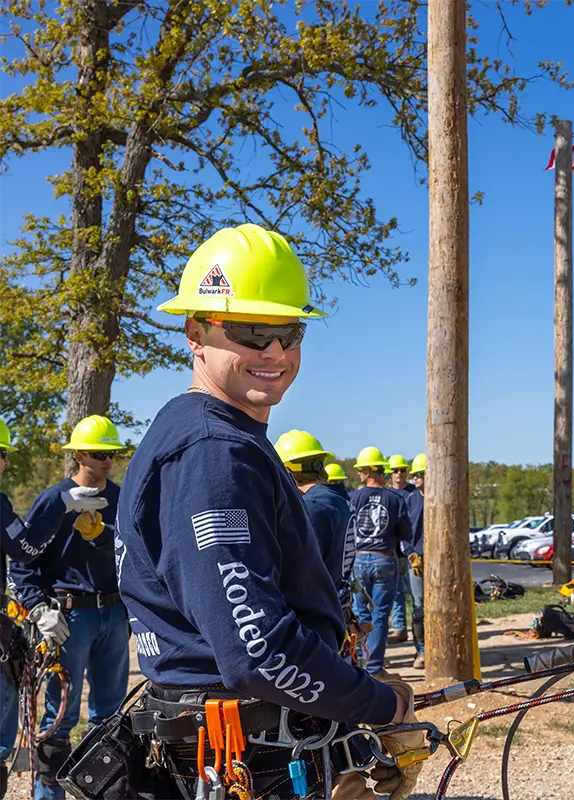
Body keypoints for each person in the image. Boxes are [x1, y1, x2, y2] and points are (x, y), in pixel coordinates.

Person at [114, 224, 424, 800]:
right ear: (196, 333)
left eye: (289, 330)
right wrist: (380, 704)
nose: (275, 352)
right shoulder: (211, 453)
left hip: (251, 742)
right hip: (244, 759)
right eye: (251, 331)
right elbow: (256, 650)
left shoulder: (212, 438)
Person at [9, 415, 127, 800]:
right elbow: (22, 561)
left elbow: (137, 555)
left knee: (109, 718)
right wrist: (39, 607)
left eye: (112, 453)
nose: (107, 461)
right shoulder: (54, 499)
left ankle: (103, 792)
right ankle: (49, 795)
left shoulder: (121, 500)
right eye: (98, 453)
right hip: (68, 617)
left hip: (112, 612)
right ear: (78, 455)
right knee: (60, 719)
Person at [274, 430, 356, 617]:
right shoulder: (340, 501)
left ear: (287, 471)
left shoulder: (311, 506)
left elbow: (301, 568)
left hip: (316, 611)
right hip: (337, 603)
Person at [350, 447, 412, 678]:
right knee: (380, 615)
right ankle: (374, 668)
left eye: (361, 470)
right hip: (384, 559)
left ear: (368, 471)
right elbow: (406, 533)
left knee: (359, 612)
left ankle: (362, 665)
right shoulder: (394, 499)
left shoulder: (353, 498)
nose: (358, 474)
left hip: (358, 562)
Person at [386, 455, 413, 645]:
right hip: (394, 551)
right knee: (397, 593)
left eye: (402, 470)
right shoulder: (388, 494)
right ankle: (400, 627)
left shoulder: (413, 493)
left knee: (415, 594)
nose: (399, 474)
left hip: (411, 552)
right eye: (395, 471)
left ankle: (420, 632)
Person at [404, 454, 426, 670]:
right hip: (417, 560)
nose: (414, 479)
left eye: (418, 475)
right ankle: (421, 651)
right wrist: (411, 555)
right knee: (419, 608)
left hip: (442, 561)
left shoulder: (441, 496)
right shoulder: (411, 500)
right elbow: (404, 532)